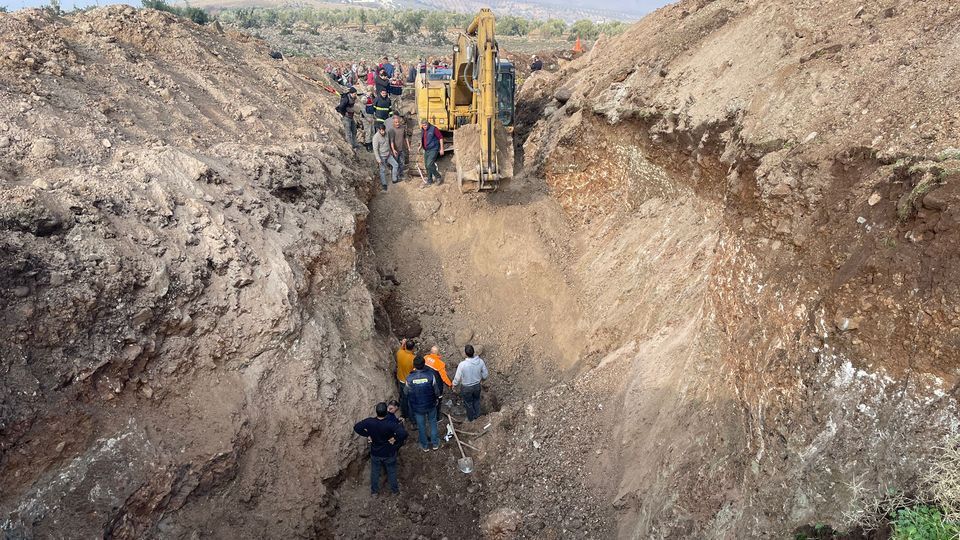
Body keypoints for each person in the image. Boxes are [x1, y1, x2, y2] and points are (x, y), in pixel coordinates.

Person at [353, 402, 407, 495]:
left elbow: (356, 427)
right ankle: (395, 491)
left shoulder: (369, 422)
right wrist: (394, 438)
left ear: (376, 411)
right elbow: (403, 434)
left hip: (375, 453)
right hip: (389, 453)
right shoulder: (390, 424)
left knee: (375, 473)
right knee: (392, 472)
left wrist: (367, 434)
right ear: (386, 412)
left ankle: (374, 492)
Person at [406, 356, 441, 451]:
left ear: (414, 365)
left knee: (421, 426)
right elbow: (436, 391)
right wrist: (437, 398)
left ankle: (425, 445)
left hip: (417, 407)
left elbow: (406, 392)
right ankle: (435, 443)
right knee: (433, 423)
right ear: (424, 364)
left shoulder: (409, 378)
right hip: (431, 404)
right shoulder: (430, 375)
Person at [453, 344, 489, 421]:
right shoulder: (480, 361)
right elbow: (485, 374)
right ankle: (478, 417)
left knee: (468, 403)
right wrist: (482, 378)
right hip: (477, 386)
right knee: (476, 400)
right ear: (474, 352)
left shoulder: (462, 365)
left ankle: (471, 419)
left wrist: (454, 384)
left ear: (465, 354)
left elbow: (457, 378)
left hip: (466, 387)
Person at [424, 345, 452, 417]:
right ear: (438, 353)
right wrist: (450, 384)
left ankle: (427, 412)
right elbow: (444, 377)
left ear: (431, 352)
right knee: (438, 400)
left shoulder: (425, 358)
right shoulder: (440, 364)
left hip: (425, 383)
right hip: (436, 385)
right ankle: (436, 417)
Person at [373, 124, 399, 191]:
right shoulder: (375, 137)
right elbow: (375, 149)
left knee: (395, 165)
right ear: (379, 130)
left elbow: (388, 143)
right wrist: (378, 159)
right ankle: (384, 184)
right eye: (381, 131)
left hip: (388, 154)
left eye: (384, 130)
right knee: (382, 170)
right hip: (381, 156)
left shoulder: (386, 133)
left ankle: (394, 179)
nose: (383, 132)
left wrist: (392, 151)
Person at [419, 119, 444, 186]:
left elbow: (440, 138)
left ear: (428, 124)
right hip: (426, 150)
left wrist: (441, 148)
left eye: (426, 125)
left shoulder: (434, 129)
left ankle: (438, 177)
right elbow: (423, 139)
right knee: (426, 166)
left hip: (434, 149)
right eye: (423, 126)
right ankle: (430, 180)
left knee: (429, 164)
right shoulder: (422, 129)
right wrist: (420, 146)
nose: (425, 127)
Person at [395, 339, 416, 419]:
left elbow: (401, 349)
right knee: (410, 400)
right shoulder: (413, 359)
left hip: (400, 379)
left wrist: (403, 344)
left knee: (403, 398)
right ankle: (411, 418)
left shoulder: (399, 353)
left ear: (405, 346)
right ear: (413, 348)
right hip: (408, 383)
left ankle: (404, 414)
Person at [386, 114, 410, 179]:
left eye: (398, 122)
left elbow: (406, 138)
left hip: (402, 149)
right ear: (393, 123)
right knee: (396, 164)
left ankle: (401, 174)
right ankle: (395, 175)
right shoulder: (392, 130)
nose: (397, 123)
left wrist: (408, 147)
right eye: (396, 122)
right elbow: (391, 141)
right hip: (395, 150)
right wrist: (393, 150)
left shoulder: (402, 128)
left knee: (402, 162)